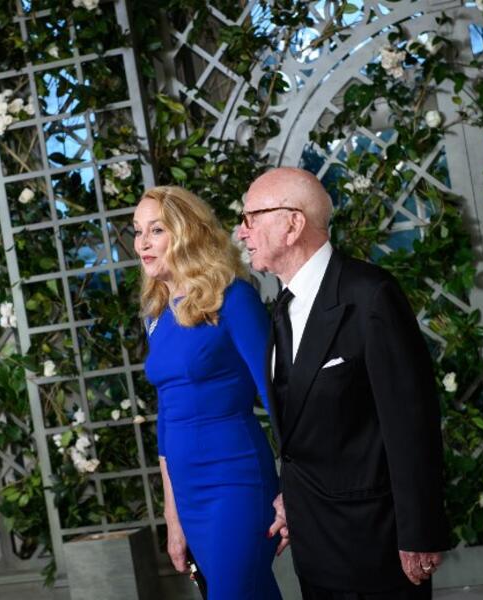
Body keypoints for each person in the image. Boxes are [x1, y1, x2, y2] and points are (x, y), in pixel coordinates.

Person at [237, 167, 450, 600]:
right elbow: (300, 427)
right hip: (313, 544)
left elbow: (411, 423)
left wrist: (420, 532)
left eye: (251, 217)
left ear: (292, 224)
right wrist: (291, 502)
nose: (242, 232)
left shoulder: (370, 294)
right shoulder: (281, 306)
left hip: (375, 542)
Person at [134, 185, 282, 599]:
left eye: (156, 230)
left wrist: (295, 493)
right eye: (137, 231)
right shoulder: (157, 314)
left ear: (186, 233)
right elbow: (167, 418)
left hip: (236, 481)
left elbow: (278, 399)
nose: (142, 242)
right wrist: (172, 514)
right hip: (187, 490)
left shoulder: (233, 299)